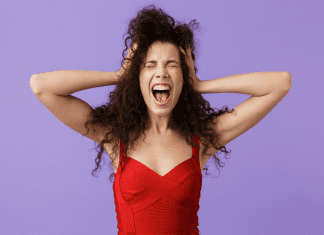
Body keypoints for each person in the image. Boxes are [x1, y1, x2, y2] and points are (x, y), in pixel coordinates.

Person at [29, 4, 291, 235]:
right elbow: (42, 86)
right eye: (150, 65)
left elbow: (279, 83)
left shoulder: (203, 139)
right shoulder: (115, 137)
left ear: (183, 76)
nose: (161, 73)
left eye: (172, 65)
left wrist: (199, 85)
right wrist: (119, 74)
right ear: (138, 77)